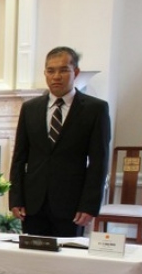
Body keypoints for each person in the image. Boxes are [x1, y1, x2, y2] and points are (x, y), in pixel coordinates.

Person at [9, 46, 111, 237]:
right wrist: (16, 199)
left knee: (68, 255)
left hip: (71, 205)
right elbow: (19, 158)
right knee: (32, 253)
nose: (56, 76)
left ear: (76, 72)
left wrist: (89, 205)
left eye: (63, 70)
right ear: (45, 73)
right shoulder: (30, 108)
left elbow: (99, 161)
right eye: (51, 71)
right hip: (33, 204)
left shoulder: (95, 109)